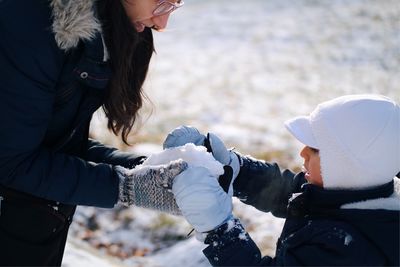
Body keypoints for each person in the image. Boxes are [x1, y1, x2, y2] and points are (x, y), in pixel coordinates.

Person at [0, 0, 188, 265]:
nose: (162, 23)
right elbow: (12, 162)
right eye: (161, 3)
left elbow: (55, 143)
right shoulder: (33, 25)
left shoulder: (97, 31)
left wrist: (145, 170)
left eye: (175, 3)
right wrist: (125, 186)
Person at [164, 94, 400, 266]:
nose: (303, 153)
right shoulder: (356, 198)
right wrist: (237, 169)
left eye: (315, 149)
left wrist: (219, 231)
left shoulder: (346, 250)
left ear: (348, 168)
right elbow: (287, 191)